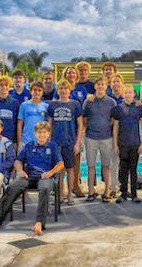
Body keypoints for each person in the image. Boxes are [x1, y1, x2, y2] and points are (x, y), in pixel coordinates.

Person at [0, 121, 64, 236]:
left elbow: (60, 164)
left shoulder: (52, 146)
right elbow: (18, 160)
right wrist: (20, 171)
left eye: (44, 132)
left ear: (48, 134)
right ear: (35, 133)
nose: (41, 135)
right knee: (12, 186)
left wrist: (50, 173)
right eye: (39, 132)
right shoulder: (29, 146)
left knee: (45, 188)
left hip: (44, 177)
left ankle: (39, 222)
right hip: (28, 177)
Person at [47, 79, 84, 205]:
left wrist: (78, 142)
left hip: (70, 142)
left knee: (70, 169)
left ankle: (70, 195)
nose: (63, 91)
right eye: (61, 89)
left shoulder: (75, 104)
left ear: (70, 90)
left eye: (65, 88)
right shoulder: (53, 105)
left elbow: (80, 125)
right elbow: (49, 125)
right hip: (56, 142)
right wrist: (49, 142)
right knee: (59, 170)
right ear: (58, 91)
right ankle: (60, 195)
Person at [82, 77, 117, 202]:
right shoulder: (88, 101)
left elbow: (114, 119)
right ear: (95, 86)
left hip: (106, 137)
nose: (101, 86)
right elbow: (84, 119)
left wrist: (106, 127)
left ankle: (106, 192)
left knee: (106, 166)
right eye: (99, 84)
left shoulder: (111, 102)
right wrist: (91, 128)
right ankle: (91, 192)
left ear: (106, 86)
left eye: (103, 84)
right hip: (91, 137)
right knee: (91, 165)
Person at [112, 84, 142, 204]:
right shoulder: (118, 108)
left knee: (133, 169)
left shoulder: (139, 107)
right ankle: (123, 193)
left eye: (130, 92)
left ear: (134, 94)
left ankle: (134, 194)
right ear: (123, 94)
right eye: (125, 92)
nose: (127, 94)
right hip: (122, 143)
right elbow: (115, 127)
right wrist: (115, 144)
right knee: (123, 169)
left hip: (135, 143)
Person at [60, 65, 87, 197]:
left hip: (77, 128)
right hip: (63, 128)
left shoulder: (82, 89)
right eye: (68, 73)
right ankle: (62, 188)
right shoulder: (59, 89)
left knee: (76, 159)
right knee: (62, 161)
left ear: (76, 75)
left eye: (73, 73)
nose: (71, 75)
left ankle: (76, 185)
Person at [17, 81, 49, 151]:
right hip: (26, 141)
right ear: (30, 91)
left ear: (42, 92)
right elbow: (19, 124)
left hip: (41, 141)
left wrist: (47, 140)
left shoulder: (46, 106)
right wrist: (19, 141)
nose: (37, 92)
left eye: (39, 90)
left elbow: (48, 125)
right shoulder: (24, 105)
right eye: (34, 90)